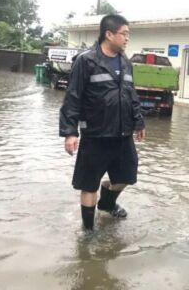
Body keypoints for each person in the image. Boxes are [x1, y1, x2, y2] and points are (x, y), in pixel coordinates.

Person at [59, 14, 146, 231]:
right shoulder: (86, 60)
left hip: (122, 134)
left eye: (128, 35)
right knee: (89, 184)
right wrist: (70, 132)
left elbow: (131, 94)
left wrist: (139, 121)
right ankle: (88, 231)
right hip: (95, 135)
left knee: (127, 176)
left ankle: (107, 204)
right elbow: (73, 97)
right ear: (108, 34)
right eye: (124, 34)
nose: (127, 39)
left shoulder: (126, 62)